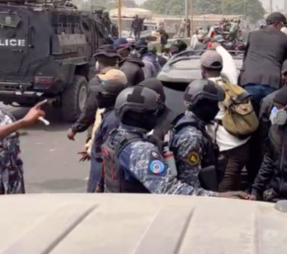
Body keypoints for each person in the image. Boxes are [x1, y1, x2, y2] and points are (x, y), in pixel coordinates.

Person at [101, 85, 248, 198]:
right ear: (138, 116)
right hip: (140, 217)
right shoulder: (141, 150)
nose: (157, 116)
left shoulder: (116, 138)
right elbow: (168, 190)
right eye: (153, 112)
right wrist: (219, 197)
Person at [200, 46, 252, 192]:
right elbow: (228, 59)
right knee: (231, 188)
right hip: (243, 143)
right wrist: (218, 46)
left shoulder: (205, 90)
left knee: (224, 194)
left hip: (227, 150)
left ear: (202, 69)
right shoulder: (231, 82)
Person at [169, 79, 225, 190]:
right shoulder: (191, 136)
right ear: (201, 104)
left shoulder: (186, 123)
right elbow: (190, 181)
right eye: (214, 104)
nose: (217, 108)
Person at [67, 45, 127, 141]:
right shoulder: (123, 77)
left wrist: (75, 128)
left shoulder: (97, 81)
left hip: (100, 127)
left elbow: (90, 110)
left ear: (97, 63)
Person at [240, 12, 287, 112]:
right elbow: (284, 62)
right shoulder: (285, 39)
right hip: (272, 83)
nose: (284, 28)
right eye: (283, 25)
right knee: (269, 117)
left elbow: (245, 58)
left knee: (249, 116)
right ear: (277, 23)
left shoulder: (252, 35)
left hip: (249, 80)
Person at [84, 79, 127, 193]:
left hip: (101, 175)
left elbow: (108, 154)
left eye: (101, 94)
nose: (97, 97)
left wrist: (100, 184)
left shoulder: (112, 121)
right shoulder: (108, 115)